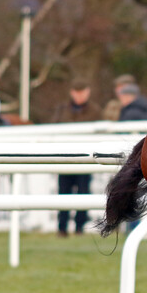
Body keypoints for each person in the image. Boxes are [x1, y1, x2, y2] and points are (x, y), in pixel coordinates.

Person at [52, 77, 102, 236]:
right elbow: (53, 130)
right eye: (77, 92)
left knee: (83, 191)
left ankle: (80, 227)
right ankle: (62, 227)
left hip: (86, 158)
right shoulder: (62, 109)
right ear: (71, 92)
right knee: (63, 192)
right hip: (65, 158)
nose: (79, 96)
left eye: (82, 92)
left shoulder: (95, 111)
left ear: (87, 92)